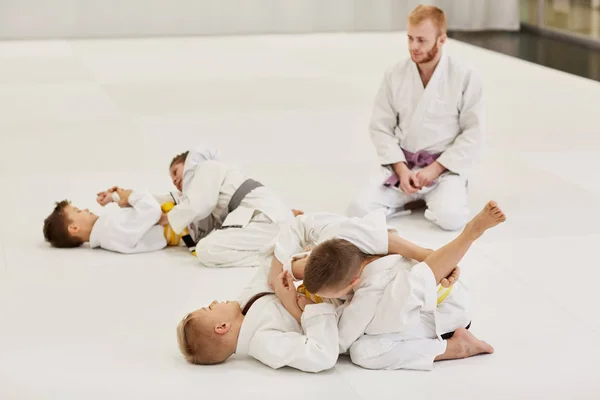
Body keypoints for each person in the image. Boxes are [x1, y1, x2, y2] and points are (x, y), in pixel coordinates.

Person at [302, 201, 505, 371]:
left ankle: (456, 347)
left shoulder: (371, 290)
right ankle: (465, 238)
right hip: (449, 296)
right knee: (371, 332)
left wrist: (307, 310)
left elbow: (341, 340)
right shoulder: (364, 250)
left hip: (443, 316)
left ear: (353, 280)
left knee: (363, 349)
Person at [347, 5, 485, 231]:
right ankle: (409, 198)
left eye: (421, 40)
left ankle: (442, 193)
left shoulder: (465, 75)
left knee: (452, 218)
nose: (413, 47)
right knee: (357, 210)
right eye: (410, 38)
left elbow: (473, 132)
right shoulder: (395, 73)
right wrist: (401, 170)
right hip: (403, 167)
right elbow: (380, 127)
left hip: (443, 170)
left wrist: (434, 170)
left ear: (441, 40)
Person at [166, 145, 301, 267]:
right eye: (172, 181)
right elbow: (205, 220)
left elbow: (198, 206)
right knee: (207, 247)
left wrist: (169, 218)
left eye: (175, 172)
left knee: (205, 250)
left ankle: (276, 257)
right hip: (266, 218)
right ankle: (280, 250)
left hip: (264, 218)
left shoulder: (205, 167)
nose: (175, 180)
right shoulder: (217, 180)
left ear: (188, 162)